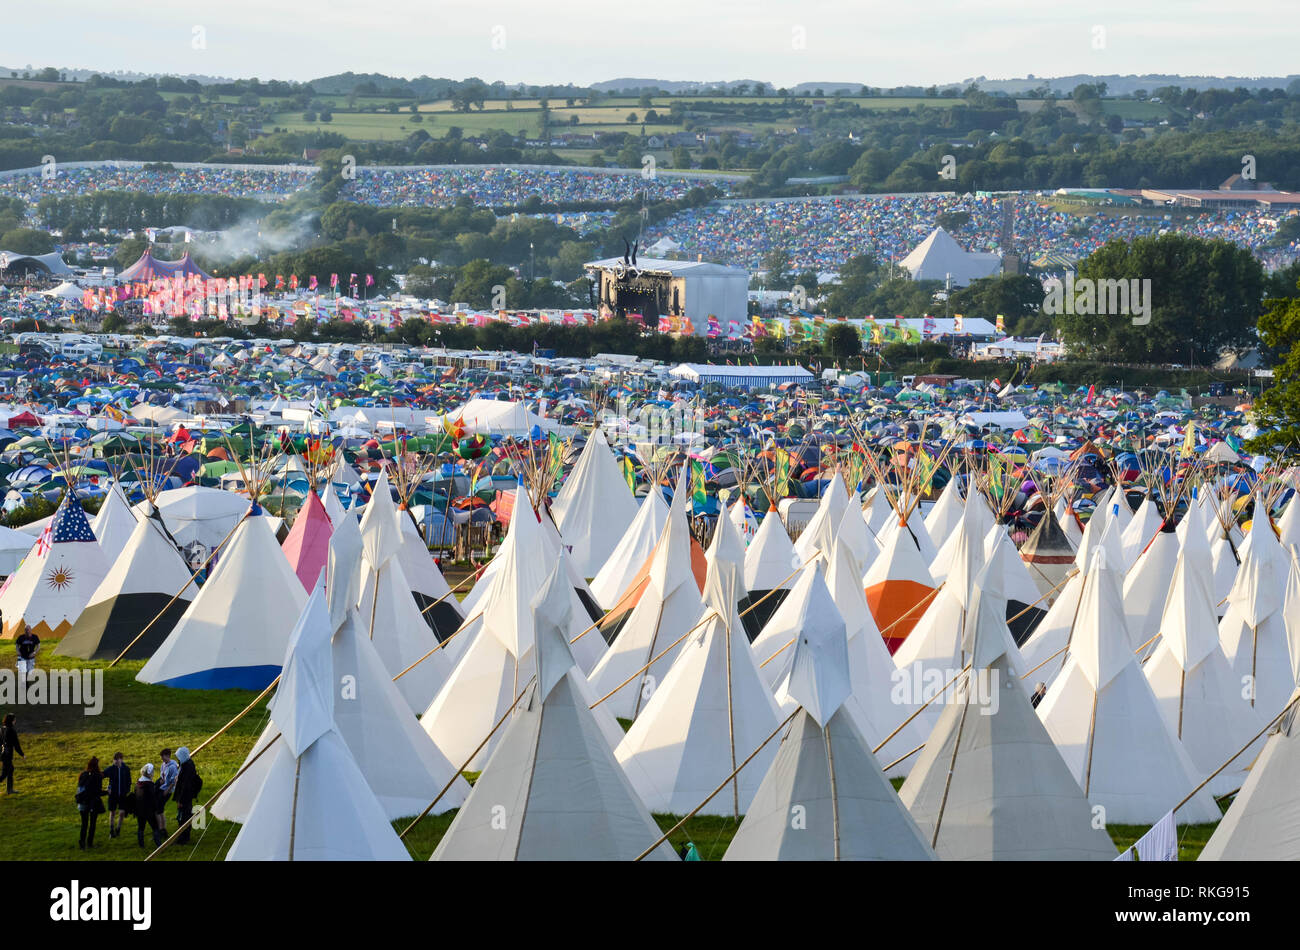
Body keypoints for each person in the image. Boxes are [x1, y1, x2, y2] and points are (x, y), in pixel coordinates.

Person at [76, 757, 106, 850]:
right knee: (92, 824)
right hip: (93, 803)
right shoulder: (98, 776)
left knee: (84, 824)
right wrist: (107, 792)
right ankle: (90, 843)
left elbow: (80, 788)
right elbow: (97, 791)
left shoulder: (83, 774)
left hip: (83, 801)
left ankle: (82, 843)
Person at [173, 747, 200, 844]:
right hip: (185, 795)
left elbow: (185, 786)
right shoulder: (187, 764)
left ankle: (183, 838)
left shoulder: (187, 767)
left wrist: (180, 800)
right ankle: (184, 836)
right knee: (184, 816)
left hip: (185, 797)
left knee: (183, 817)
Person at [104, 752, 131, 839]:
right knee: (112, 812)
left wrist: (127, 790)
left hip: (122, 795)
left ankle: (118, 829)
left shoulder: (126, 769)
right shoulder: (111, 768)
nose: (115, 761)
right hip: (113, 795)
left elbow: (129, 781)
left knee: (122, 813)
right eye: (114, 759)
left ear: (121, 759)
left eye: (117, 759)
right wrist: (107, 788)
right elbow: (102, 775)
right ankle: (111, 831)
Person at [134, 764, 160, 848]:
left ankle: (141, 845)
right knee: (155, 827)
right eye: (152, 772)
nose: (153, 774)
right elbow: (153, 798)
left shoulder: (138, 783)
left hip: (139, 809)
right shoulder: (149, 785)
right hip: (149, 810)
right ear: (148, 774)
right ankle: (159, 844)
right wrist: (156, 809)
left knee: (141, 827)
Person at [156, 748, 178, 834]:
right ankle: (160, 828)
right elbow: (163, 776)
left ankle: (163, 829)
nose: (162, 759)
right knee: (157, 808)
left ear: (168, 756)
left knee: (160, 809)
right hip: (162, 788)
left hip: (167, 790)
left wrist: (167, 790)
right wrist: (161, 781)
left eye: (163, 757)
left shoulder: (173, 766)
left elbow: (174, 781)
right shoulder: (163, 764)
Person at [0, 713, 21, 794]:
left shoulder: (1, 729)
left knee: (10, 770)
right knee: (5, 773)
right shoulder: (11, 730)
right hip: (7, 754)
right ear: (12, 721)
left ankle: (10, 790)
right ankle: (10, 790)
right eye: (14, 719)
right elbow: (16, 744)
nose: (15, 721)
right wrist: (22, 754)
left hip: (3, 754)